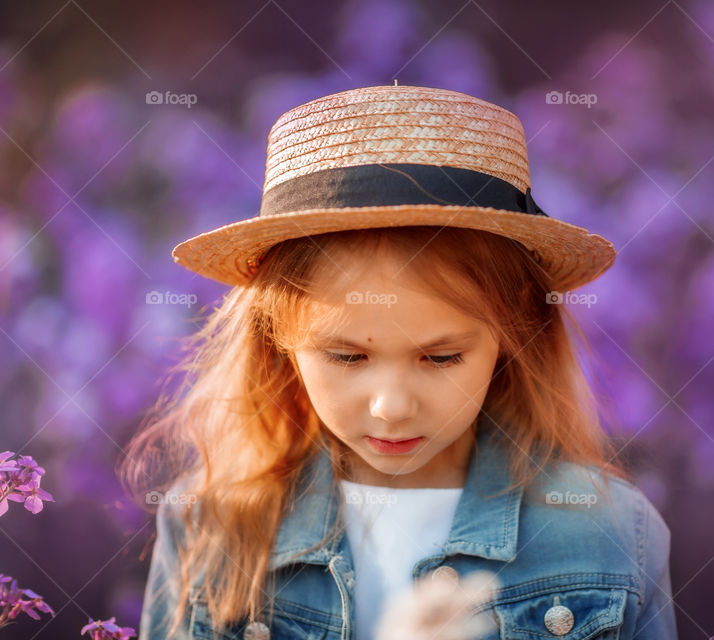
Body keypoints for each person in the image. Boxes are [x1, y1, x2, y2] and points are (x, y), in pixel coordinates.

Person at [123, 84, 677, 640]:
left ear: (513, 336)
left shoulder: (608, 536)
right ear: (278, 342)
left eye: (441, 357)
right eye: (346, 355)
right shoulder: (208, 527)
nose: (391, 407)